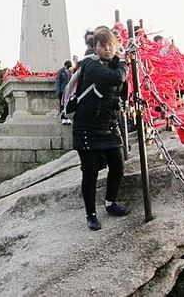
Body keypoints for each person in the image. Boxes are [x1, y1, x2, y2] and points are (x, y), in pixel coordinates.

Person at [72, 27, 130, 231]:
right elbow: (115, 79)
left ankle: (110, 202)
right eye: (103, 45)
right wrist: (123, 63)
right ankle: (91, 214)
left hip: (108, 126)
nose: (108, 49)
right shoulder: (91, 65)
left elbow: (122, 91)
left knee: (118, 165)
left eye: (111, 45)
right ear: (95, 47)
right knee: (90, 172)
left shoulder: (115, 64)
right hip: (86, 128)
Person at [56, 60, 73, 125]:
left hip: (69, 91)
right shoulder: (61, 71)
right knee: (62, 105)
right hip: (62, 91)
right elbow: (58, 82)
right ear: (65, 65)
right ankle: (63, 118)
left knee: (68, 105)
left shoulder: (71, 71)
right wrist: (58, 92)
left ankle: (67, 118)